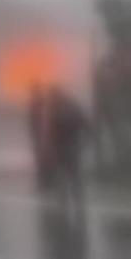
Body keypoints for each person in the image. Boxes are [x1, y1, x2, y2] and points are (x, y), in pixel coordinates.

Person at [48, 85, 89, 227]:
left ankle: (63, 204)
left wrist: (52, 148)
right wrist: (84, 140)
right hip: (73, 146)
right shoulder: (74, 106)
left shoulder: (56, 110)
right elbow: (85, 123)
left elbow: (53, 131)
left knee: (62, 176)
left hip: (62, 147)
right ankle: (78, 202)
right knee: (75, 175)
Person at [28, 83, 53, 191]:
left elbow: (40, 121)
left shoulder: (39, 104)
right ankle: (45, 182)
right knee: (42, 160)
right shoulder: (40, 103)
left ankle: (45, 183)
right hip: (40, 136)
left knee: (43, 160)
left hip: (42, 136)